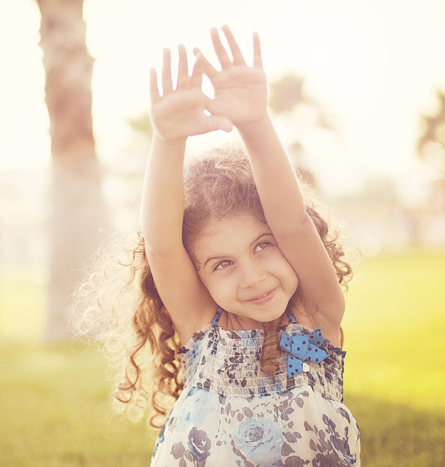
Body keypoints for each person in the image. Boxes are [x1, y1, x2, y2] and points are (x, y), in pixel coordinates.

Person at [76, 25, 360, 466]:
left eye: (263, 245)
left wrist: (255, 123)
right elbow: (162, 244)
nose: (253, 276)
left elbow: (293, 221)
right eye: (222, 263)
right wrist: (168, 139)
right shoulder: (203, 329)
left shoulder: (316, 318)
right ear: (199, 276)